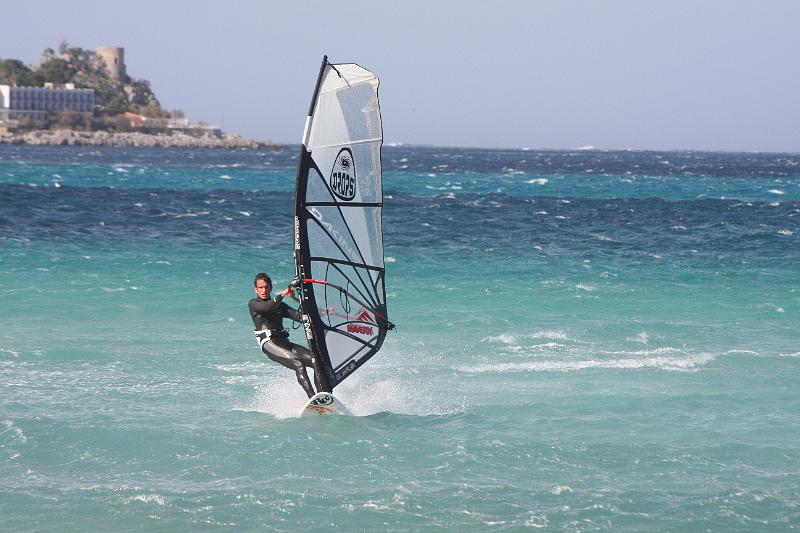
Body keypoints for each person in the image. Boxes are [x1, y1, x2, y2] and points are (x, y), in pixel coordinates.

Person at [248, 272, 329, 398]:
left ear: (270, 288)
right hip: (270, 343)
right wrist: (283, 293)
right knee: (298, 364)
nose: (264, 290)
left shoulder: (279, 305)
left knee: (315, 361)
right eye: (261, 287)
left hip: (285, 343)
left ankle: (323, 396)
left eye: (266, 287)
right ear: (256, 290)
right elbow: (267, 307)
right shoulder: (253, 304)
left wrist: (320, 311)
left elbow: (300, 317)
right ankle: (312, 398)